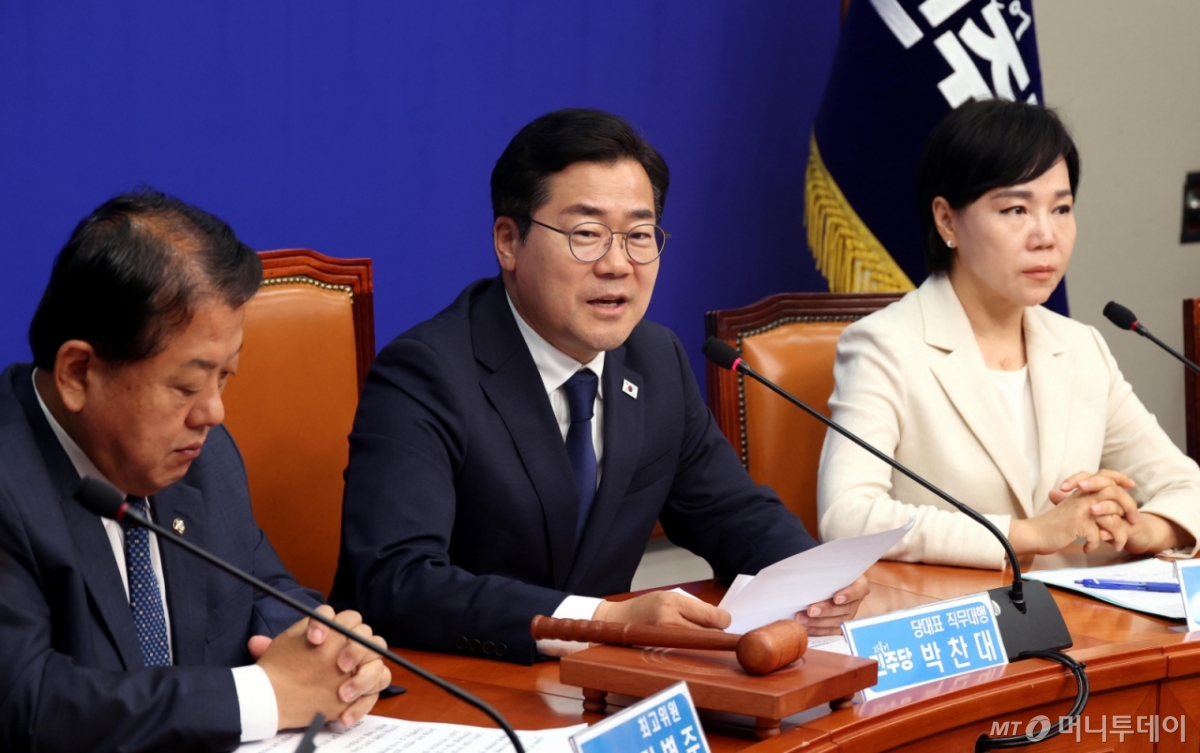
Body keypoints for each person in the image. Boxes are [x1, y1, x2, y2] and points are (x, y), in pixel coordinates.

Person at [331, 108, 869, 664]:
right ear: (509, 241)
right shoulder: (426, 372)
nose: (617, 264)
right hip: (452, 682)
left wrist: (816, 576)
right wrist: (603, 622)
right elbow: (397, 580)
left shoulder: (654, 359)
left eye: (639, 235)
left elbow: (732, 514)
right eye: (586, 234)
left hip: (592, 687)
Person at [0, 190, 392, 752]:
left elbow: (264, 592)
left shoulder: (204, 457)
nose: (213, 412)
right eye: (187, 385)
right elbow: (28, 705)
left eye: (225, 376)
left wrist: (335, 656)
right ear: (79, 373)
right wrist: (265, 696)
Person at [817, 99, 1200, 568]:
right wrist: (1028, 534)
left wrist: (1140, 528)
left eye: (1061, 209)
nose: (1046, 236)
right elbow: (847, 516)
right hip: (954, 610)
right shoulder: (886, 346)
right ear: (947, 220)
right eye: (1016, 209)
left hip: (1080, 613)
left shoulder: (1080, 348)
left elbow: (1186, 485)